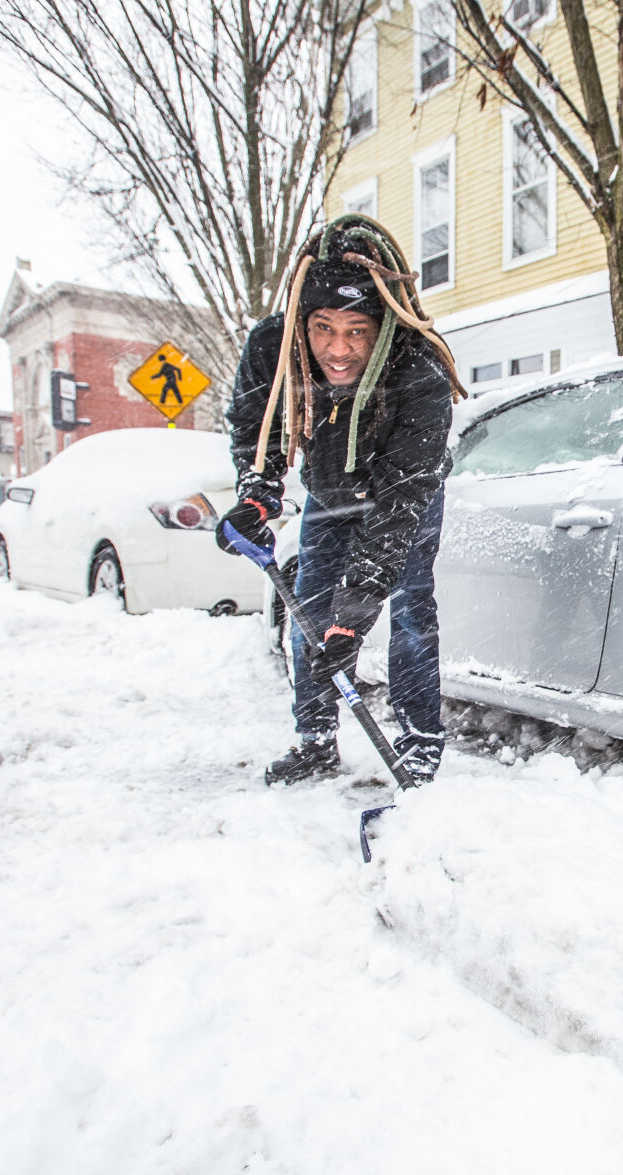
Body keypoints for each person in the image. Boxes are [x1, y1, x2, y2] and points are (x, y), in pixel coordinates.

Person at [219, 215, 467, 787]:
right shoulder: (273, 347)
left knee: (408, 611)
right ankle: (315, 740)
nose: (337, 348)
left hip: (403, 499)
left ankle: (420, 742)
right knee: (310, 611)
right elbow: (258, 430)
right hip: (330, 489)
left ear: (382, 325)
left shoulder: (420, 371)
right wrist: (256, 500)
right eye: (323, 327)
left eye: (357, 330)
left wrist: (354, 617)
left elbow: (403, 496)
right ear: (302, 322)